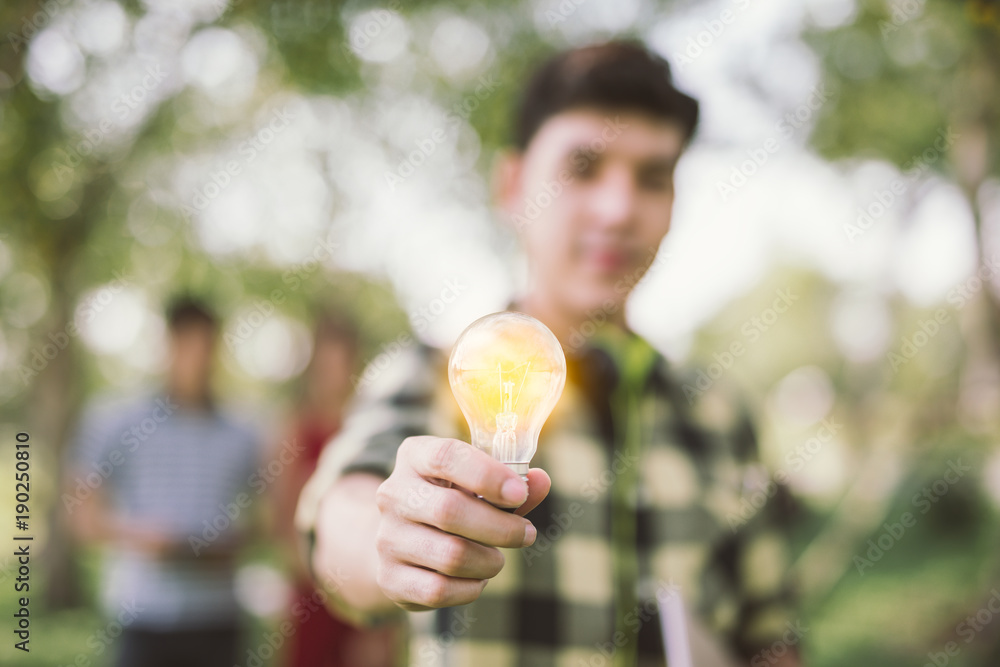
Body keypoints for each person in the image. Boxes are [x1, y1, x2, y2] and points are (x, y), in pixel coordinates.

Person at [297, 41, 801, 666]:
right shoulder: (428, 378)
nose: (618, 211)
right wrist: (390, 542)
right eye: (583, 167)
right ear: (512, 187)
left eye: (652, 177)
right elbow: (345, 523)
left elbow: (770, 632)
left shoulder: (721, 417)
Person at [67, 297, 263, 667]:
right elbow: (82, 517)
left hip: (219, 618)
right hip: (144, 617)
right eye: (186, 344)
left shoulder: (244, 433)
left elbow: (269, 520)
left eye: (205, 346)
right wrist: (140, 536)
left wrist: (228, 545)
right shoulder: (116, 421)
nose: (196, 358)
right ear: (167, 346)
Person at [275, 310, 403, 667]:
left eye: (341, 360)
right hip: (312, 593)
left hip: (369, 592)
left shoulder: (373, 429)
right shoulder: (296, 428)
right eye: (325, 360)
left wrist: (373, 622)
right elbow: (283, 524)